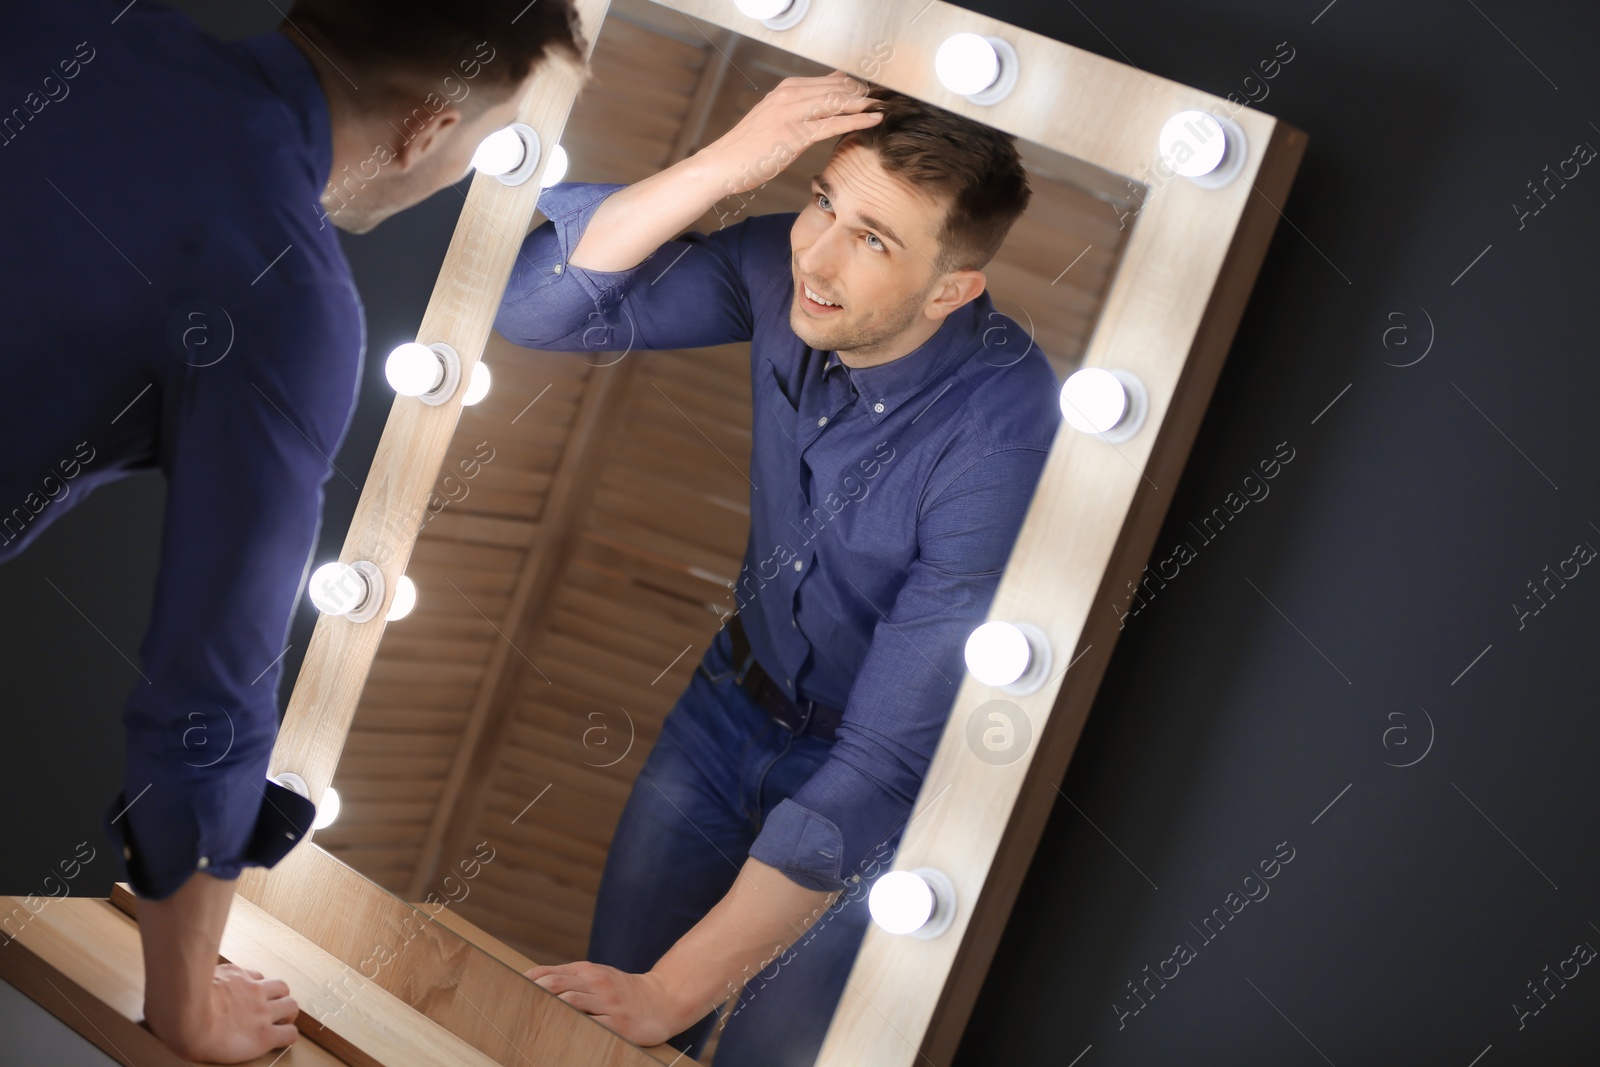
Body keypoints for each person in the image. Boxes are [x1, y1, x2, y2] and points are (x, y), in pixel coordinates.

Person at [0, 1, 582, 1060]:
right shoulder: (286, 294)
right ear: (424, 129)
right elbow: (204, 704)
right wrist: (186, 1005)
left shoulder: (66, 21)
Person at [494, 76, 1058, 1064]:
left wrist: (675, 990)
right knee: (604, 1026)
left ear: (951, 289)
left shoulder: (1001, 438)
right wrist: (725, 165)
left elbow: (885, 762)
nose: (819, 253)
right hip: (724, 708)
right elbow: (538, 309)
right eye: (820, 202)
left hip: (886, 789)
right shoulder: (779, 265)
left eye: (873, 238)